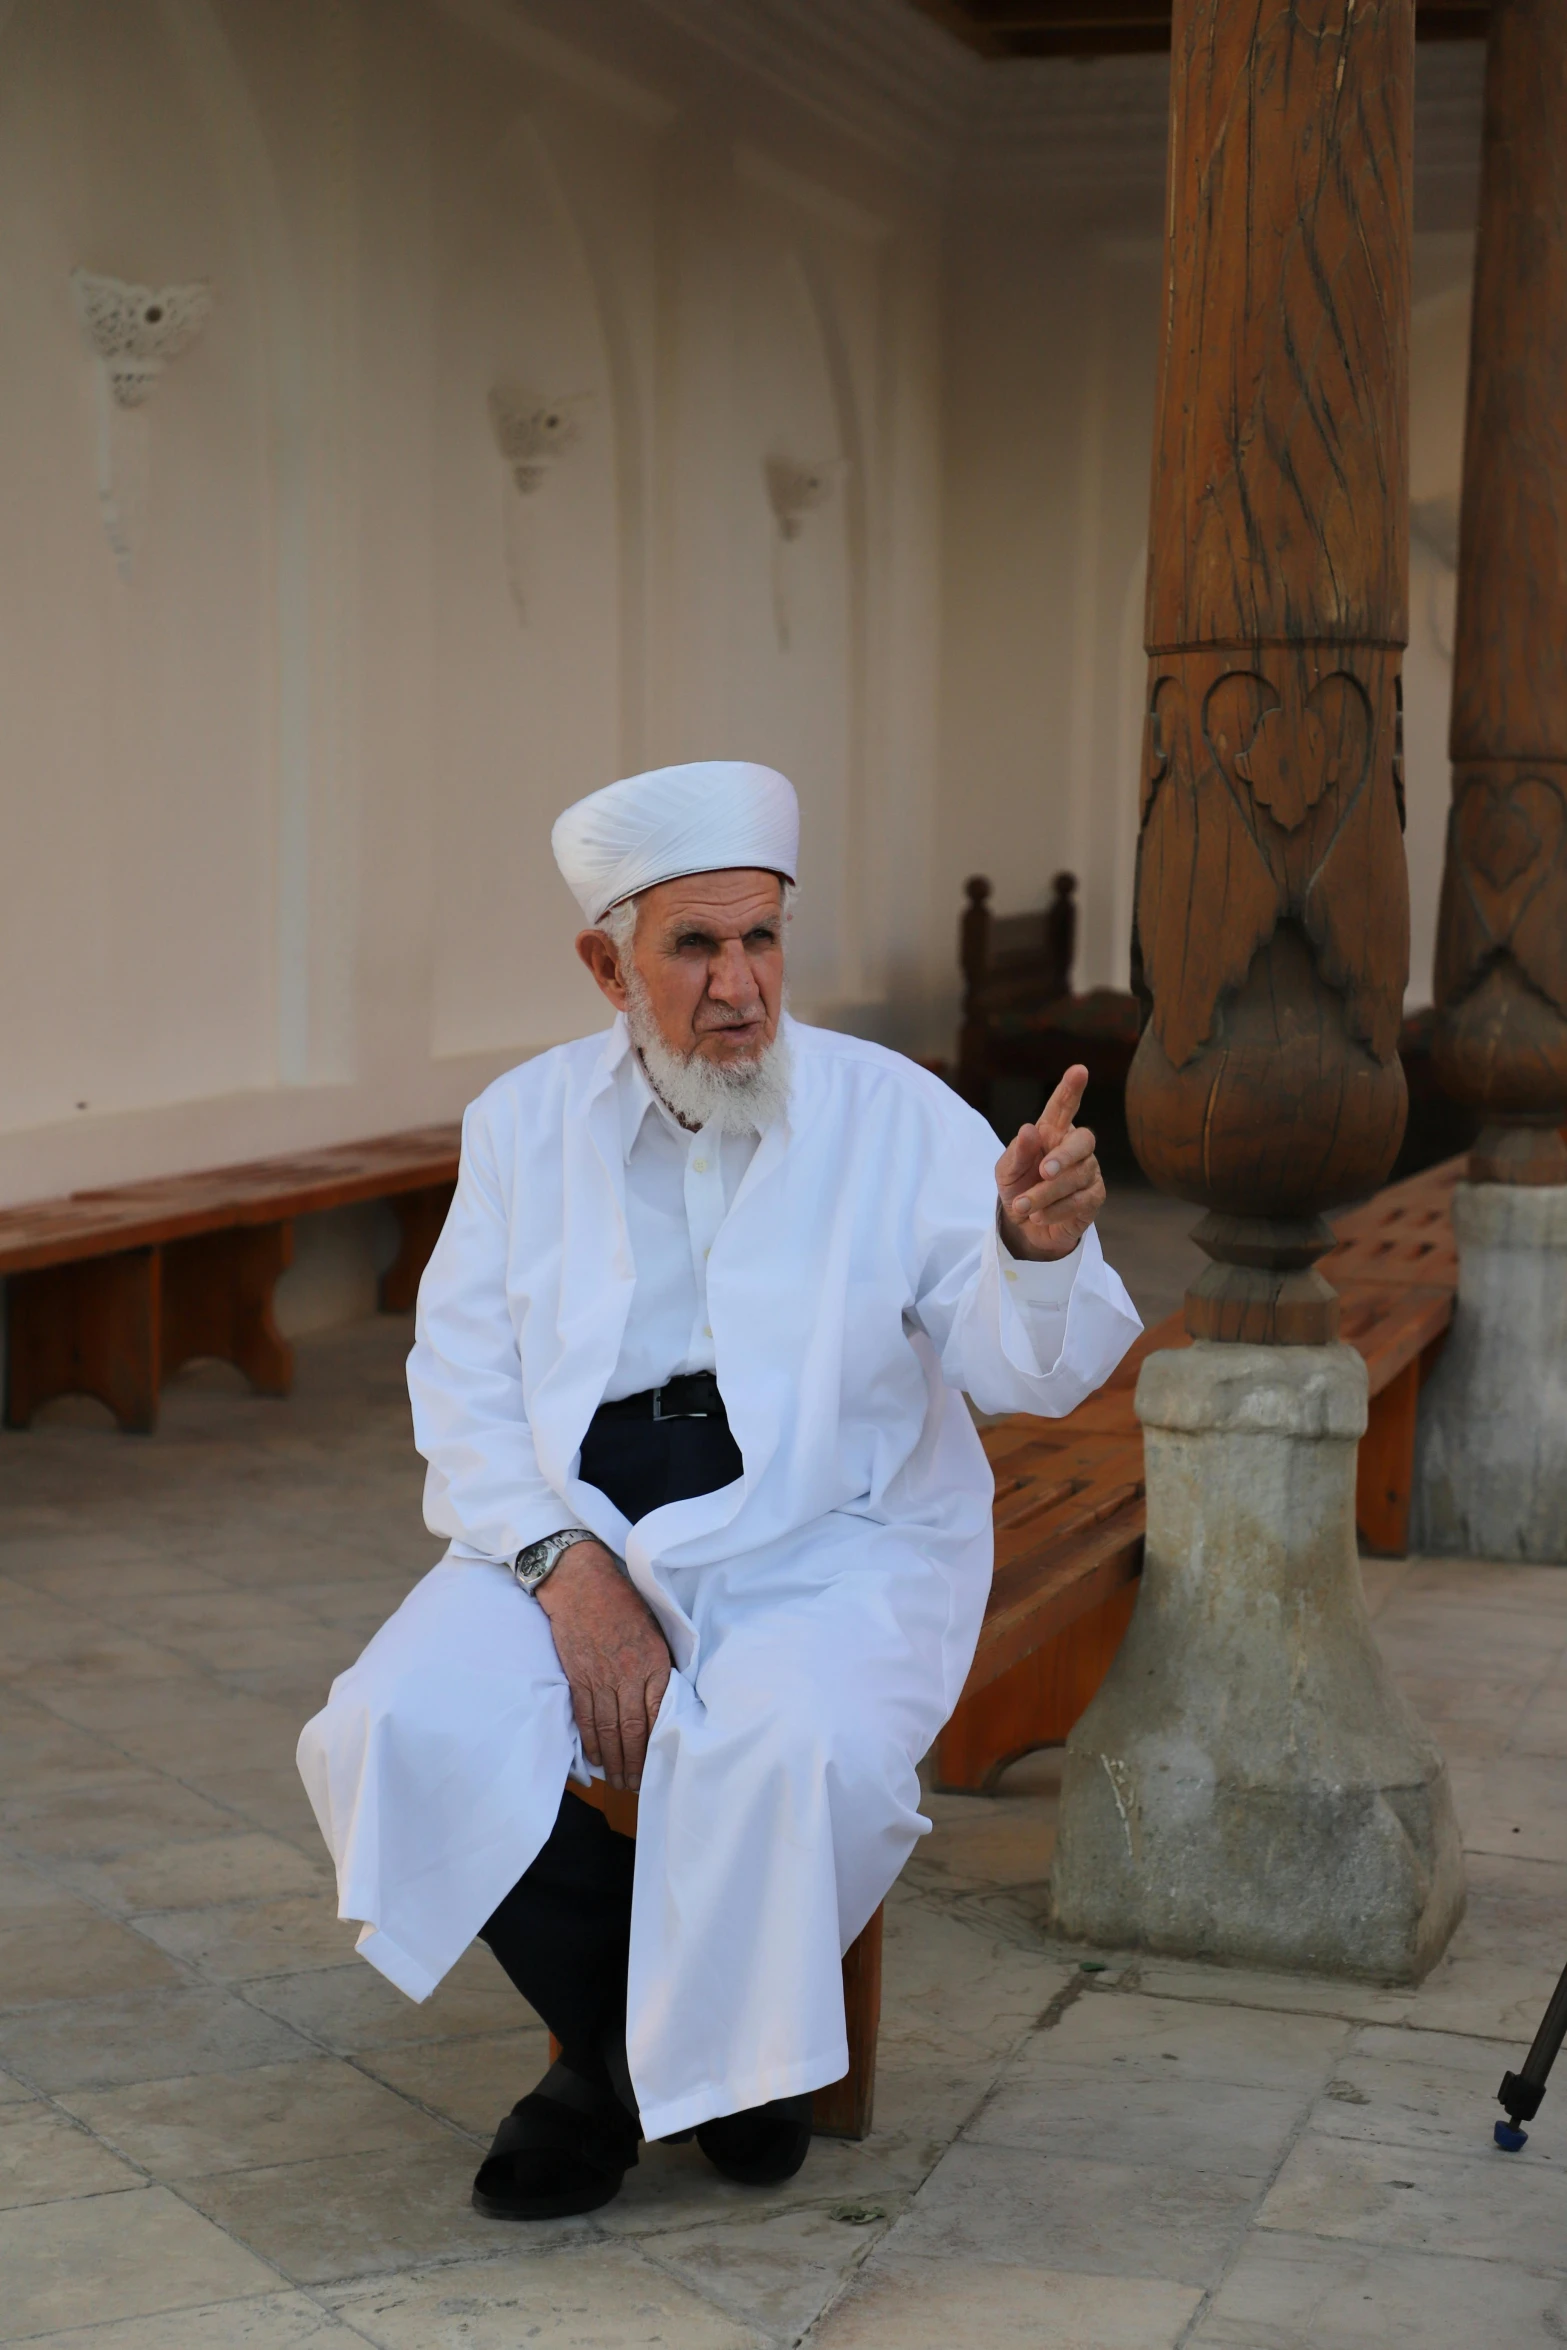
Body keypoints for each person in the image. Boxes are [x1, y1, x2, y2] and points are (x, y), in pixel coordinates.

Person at [298, 759, 1140, 2222]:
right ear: (604, 964)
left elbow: (1022, 1370)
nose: (739, 984)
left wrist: (1036, 1248)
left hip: (834, 1528)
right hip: (577, 1524)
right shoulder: (519, 1125)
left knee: (787, 1751)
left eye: (761, 938)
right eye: (694, 947)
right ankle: (718, 2068)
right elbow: (462, 1381)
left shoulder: (898, 1116)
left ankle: (598, 2082)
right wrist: (566, 1567)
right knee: (394, 1722)